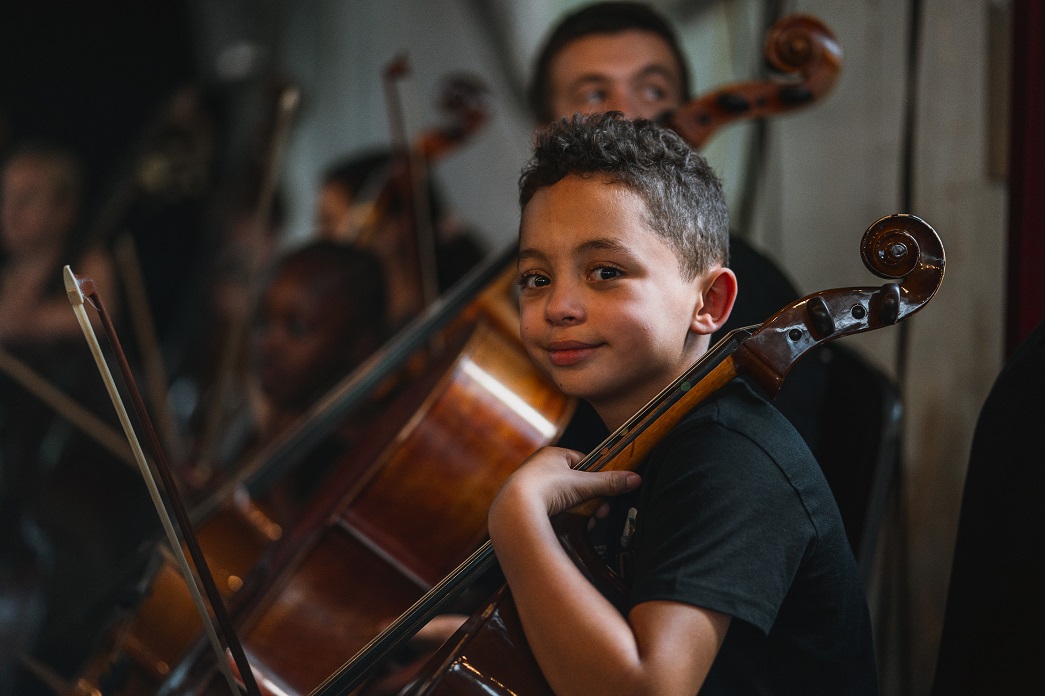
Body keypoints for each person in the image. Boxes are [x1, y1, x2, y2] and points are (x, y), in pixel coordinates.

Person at [484, 113, 876, 694]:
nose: (559, 305)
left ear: (709, 302)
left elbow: (649, 687)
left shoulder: (730, 459)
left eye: (606, 272)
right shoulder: (623, 435)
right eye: (535, 278)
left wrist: (517, 522)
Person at [316, 149, 485, 330]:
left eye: (329, 221)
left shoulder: (463, 316)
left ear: (389, 229)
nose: (319, 237)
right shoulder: (360, 331)